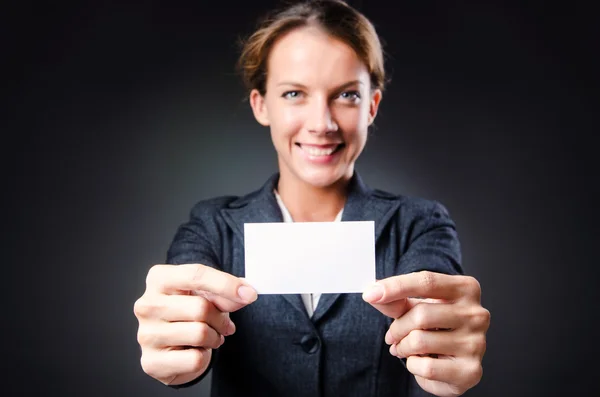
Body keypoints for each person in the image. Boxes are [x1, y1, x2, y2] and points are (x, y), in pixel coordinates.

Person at [133, 1, 490, 396]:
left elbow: (437, 315)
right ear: (261, 105)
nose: (322, 123)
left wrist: (445, 351)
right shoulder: (212, 226)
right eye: (293, 93)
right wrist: (173, 345)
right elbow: (180, 324)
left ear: (372, 106)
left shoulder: (419, 225)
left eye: (347, 96)